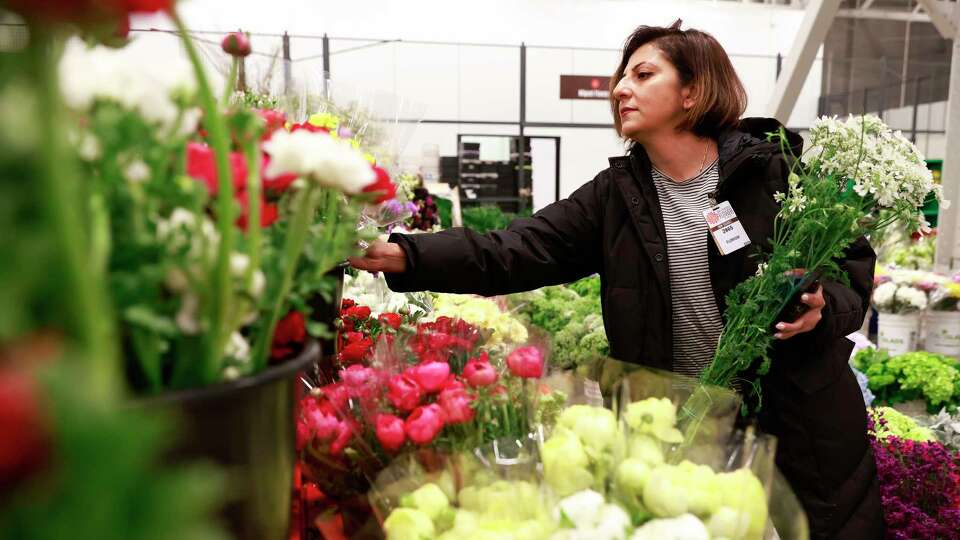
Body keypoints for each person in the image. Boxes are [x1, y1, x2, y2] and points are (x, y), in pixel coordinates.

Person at [350, 20, 883, 539]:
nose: (622, 89)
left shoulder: (774, 174)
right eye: (621, 78)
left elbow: (851, 268)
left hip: (799, 413)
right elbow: (515, 249)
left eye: (644, 75)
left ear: (693, 92)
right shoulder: (616, 196)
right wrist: (402, 255)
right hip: (681, 422)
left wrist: (821, 306)